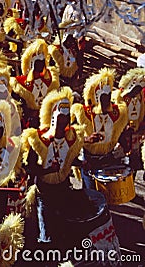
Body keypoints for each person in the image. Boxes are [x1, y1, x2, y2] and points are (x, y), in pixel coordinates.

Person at [21, 86, 84, 245]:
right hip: (45, 191)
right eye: (60, 118)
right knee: (46, 232)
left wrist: (81, 163)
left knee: (62, 226)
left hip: (63, 187)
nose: (63, 122)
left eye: (66, 117)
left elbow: (69, 159)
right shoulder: (38, 140)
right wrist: (48, 170)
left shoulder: (72, 138)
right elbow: (30, 169)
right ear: (53, 117)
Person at [71, 68, 128, 189]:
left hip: (108, 158)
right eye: (102, 96)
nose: (106, 100)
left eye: (108, 95)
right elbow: (71, 136)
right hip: (89, 160)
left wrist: (125, 145)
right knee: (90, 194)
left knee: (107, 194)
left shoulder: (118, 113)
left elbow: (119, 131)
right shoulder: (81, 113)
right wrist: (87, 139)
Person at [12, 38, 60, 129]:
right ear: (31, 64)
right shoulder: (20, 83)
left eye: (42, 62)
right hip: (30, 123)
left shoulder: (50, 78)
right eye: (38, 62)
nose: (41, 65)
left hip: (47, 120)